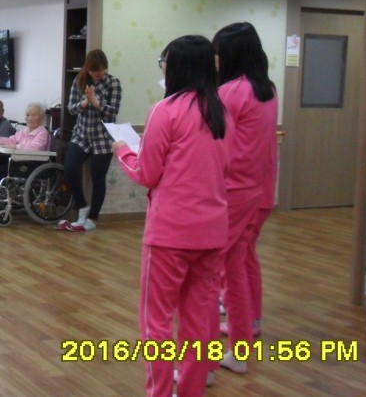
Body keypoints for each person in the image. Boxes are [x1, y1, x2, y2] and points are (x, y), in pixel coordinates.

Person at [113, 35, 229, 397]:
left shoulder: (165, 110)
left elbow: (146, 173)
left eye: (164, 62)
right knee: (198, 324)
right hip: (212, 231)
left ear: (176, 66)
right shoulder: (221, 112)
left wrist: (123, 151)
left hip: (169, 234)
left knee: (156, 323)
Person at [211, 22, 279, 375]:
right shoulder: (266, 89)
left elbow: (212, 140)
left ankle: (219, 356)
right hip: (256, 188)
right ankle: (244, 337)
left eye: (218, 53)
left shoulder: (231, 92)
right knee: (238, 262)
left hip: (230, 191)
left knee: (217, 271)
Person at [59, 49, 122, 232]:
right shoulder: (79, 81)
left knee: (98, 179)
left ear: (105, 68)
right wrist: (85, 103)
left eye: (100, 70)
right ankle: (82, 206)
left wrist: (96, 103)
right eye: (94, 71)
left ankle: (93, 218)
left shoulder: (113, 83)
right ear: (88, 69)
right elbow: (71, 109)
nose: (97, 74)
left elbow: (113, 111)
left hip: (103, 137)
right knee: (70, 168)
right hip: (82, 134)